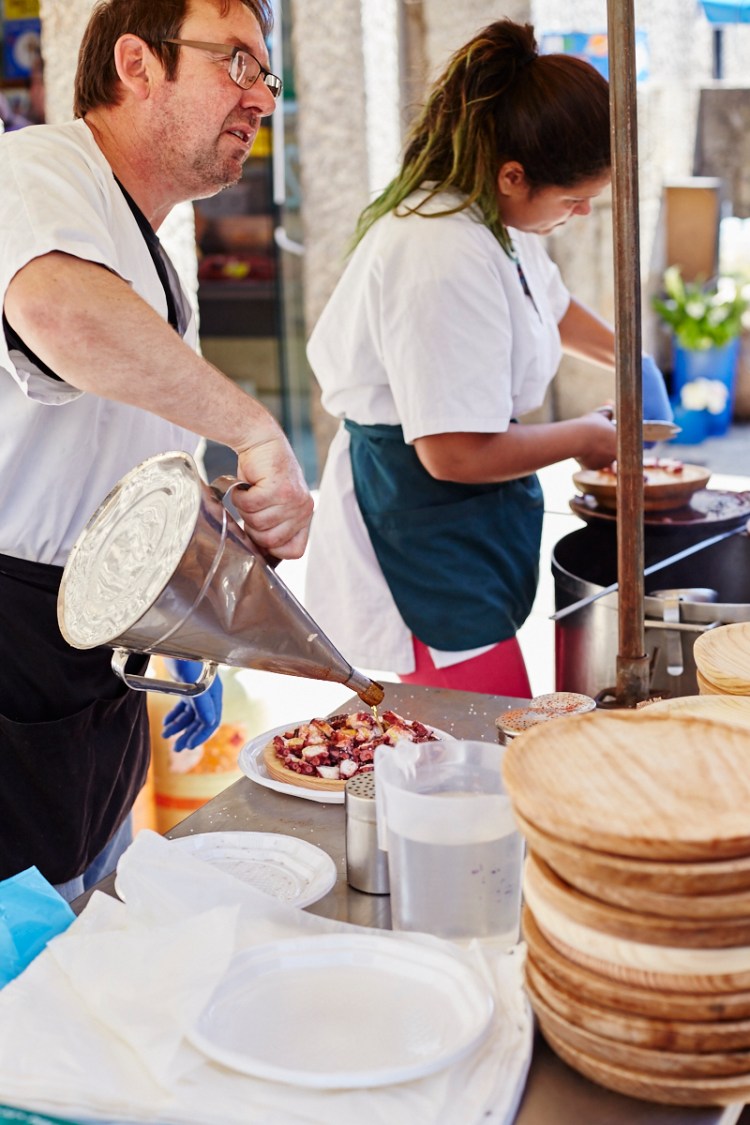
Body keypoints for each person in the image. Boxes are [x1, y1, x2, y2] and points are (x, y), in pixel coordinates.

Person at [0, 0, 313, 899]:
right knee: (30, 946)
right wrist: (255, 430)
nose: (262, 99)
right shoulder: (35, 169)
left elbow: (122, 452)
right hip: (18, 648)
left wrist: (193, 604)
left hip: (99, 669)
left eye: (268, 75)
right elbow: (57, 313)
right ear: (137, 64)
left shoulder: (151, 249)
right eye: (237, 63)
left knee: (88, 905)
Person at [304, 18, 671, 699]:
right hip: (418, 525)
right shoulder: (439, 250)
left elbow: (549, 305)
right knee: (484, 741)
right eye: (575, 200)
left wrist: (631, 358)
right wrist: (587, 436)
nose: (584, 215)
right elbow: (455, 453)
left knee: (489, 730)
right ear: (513, 175)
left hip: (461, 516)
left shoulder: (496, 216)